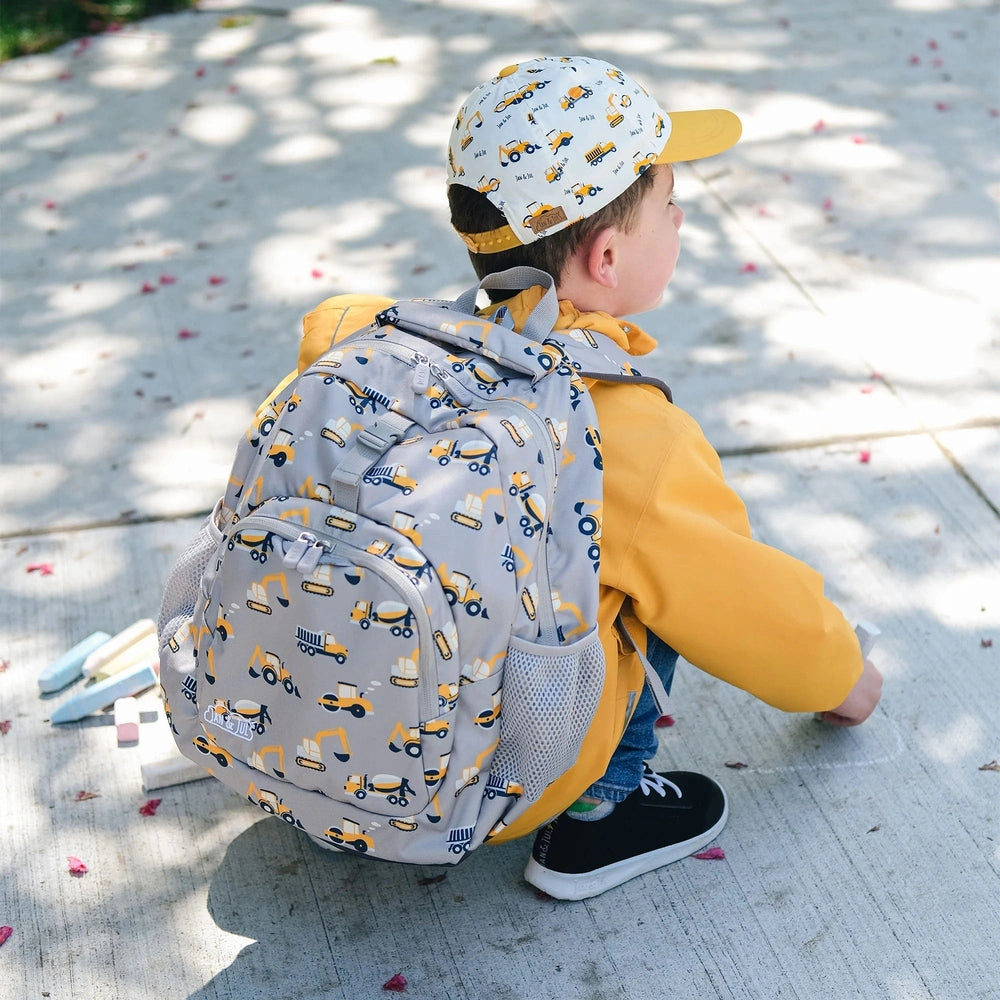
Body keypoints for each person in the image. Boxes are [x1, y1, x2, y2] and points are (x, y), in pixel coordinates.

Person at [293, 55, 883, 900]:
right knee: (654, 579)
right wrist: (842, 679)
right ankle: (601, 818)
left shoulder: (358, 341)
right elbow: (746, 604)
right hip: (486, 776)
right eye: (673, 210)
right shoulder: (618, 430)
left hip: (322, 731)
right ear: (607, 257)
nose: (682, 223)